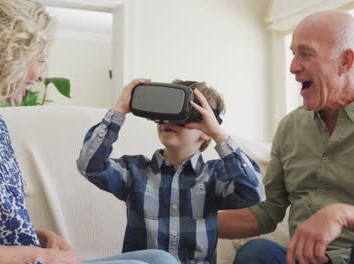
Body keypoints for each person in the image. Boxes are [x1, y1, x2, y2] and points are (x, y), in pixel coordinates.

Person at [0, 0, 177, 263]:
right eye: (40, 60)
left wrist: (42, 238)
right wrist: (41, 257)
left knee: (160, 259)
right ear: (5, 55)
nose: (41, 76)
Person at [218, 10, 354, 264]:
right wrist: (185, 222)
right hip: (302, 260)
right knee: (255, 253)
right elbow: (266, 211)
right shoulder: (290, 127)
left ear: (345, 61)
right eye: (292, 54)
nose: (293, 67)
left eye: (306, 54)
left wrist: (341, 215)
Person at [76, 79, 266, 263]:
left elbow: (254, 191)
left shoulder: (214, 177)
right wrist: (119, 110)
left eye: (182, 117)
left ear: (205, 129)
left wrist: (219, 134)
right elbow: (89, 165)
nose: (169, 121)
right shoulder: (135, 172)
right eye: (165, 113)